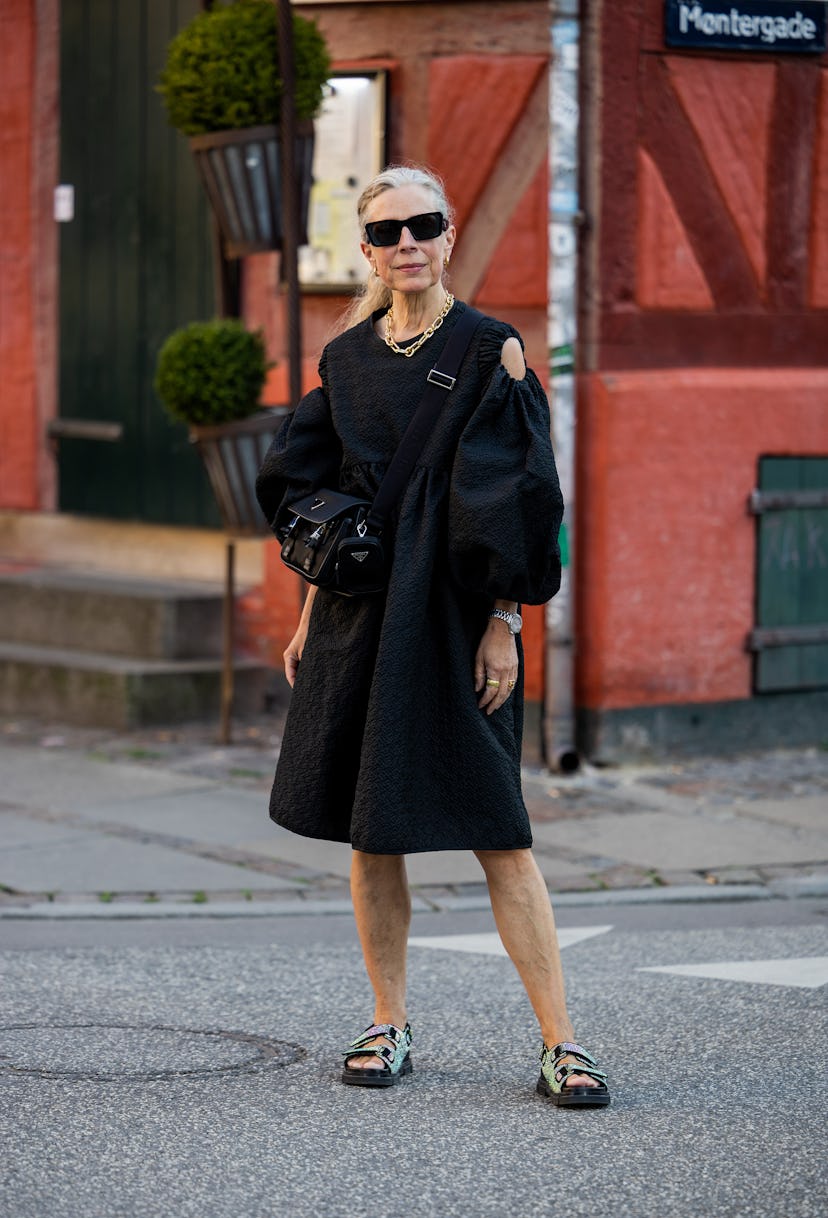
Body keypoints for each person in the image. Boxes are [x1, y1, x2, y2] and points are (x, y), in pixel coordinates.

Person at [256, 165, 610, 1108]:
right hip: (355, 617)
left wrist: (505, 623)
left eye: (424, 225)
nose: (406, 243)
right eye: (386, 232)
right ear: (366, 250)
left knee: (501, 830)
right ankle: (388, 1018)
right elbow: (313, 495)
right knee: (373, 834)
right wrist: (305, 615)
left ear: (450, 237)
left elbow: (526, 500)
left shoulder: (492, 350)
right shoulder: (345, 358)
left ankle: (562, 1043)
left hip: (456, 617)